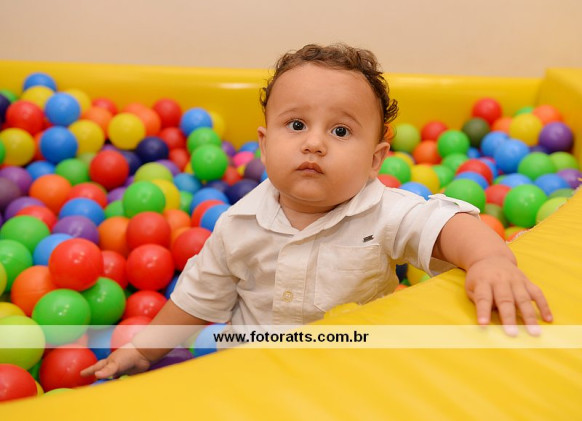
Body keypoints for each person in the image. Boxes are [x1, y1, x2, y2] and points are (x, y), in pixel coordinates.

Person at [81, 43, 553, 380]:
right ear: (264, 144)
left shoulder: (384, 212)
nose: (314, 142)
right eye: (296, 124)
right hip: (250, 371)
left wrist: (489, 259)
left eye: (341, 131)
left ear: (375, 159)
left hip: (348, 373)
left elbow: (444, 224)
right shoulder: (237, 224)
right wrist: (143, 352)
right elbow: (195, 299)